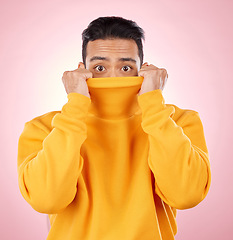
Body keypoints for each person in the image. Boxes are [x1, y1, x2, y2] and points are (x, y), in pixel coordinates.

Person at [17, 16, 211, 240]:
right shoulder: (43, 129)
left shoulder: (180, 122)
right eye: (100, 67)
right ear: (81, 71)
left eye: (126, 67)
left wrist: (154, 106)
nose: (113, 77)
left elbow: (186, 195)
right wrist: (75, 107)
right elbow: (46, 199)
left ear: (143, 71)